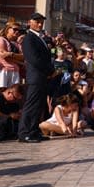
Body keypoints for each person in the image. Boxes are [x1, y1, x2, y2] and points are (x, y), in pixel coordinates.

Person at [17, 13, 57, 143]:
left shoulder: (40, 38)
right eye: (37, 22)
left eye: (41, 22)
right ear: (30, 22)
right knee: (31, 105)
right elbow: (34, 59)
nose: (40, 24)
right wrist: (51, 70)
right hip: (35, 76)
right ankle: (24, 133)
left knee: (39, 105)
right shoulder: (29, 38)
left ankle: (33, 131)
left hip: (42, 77)